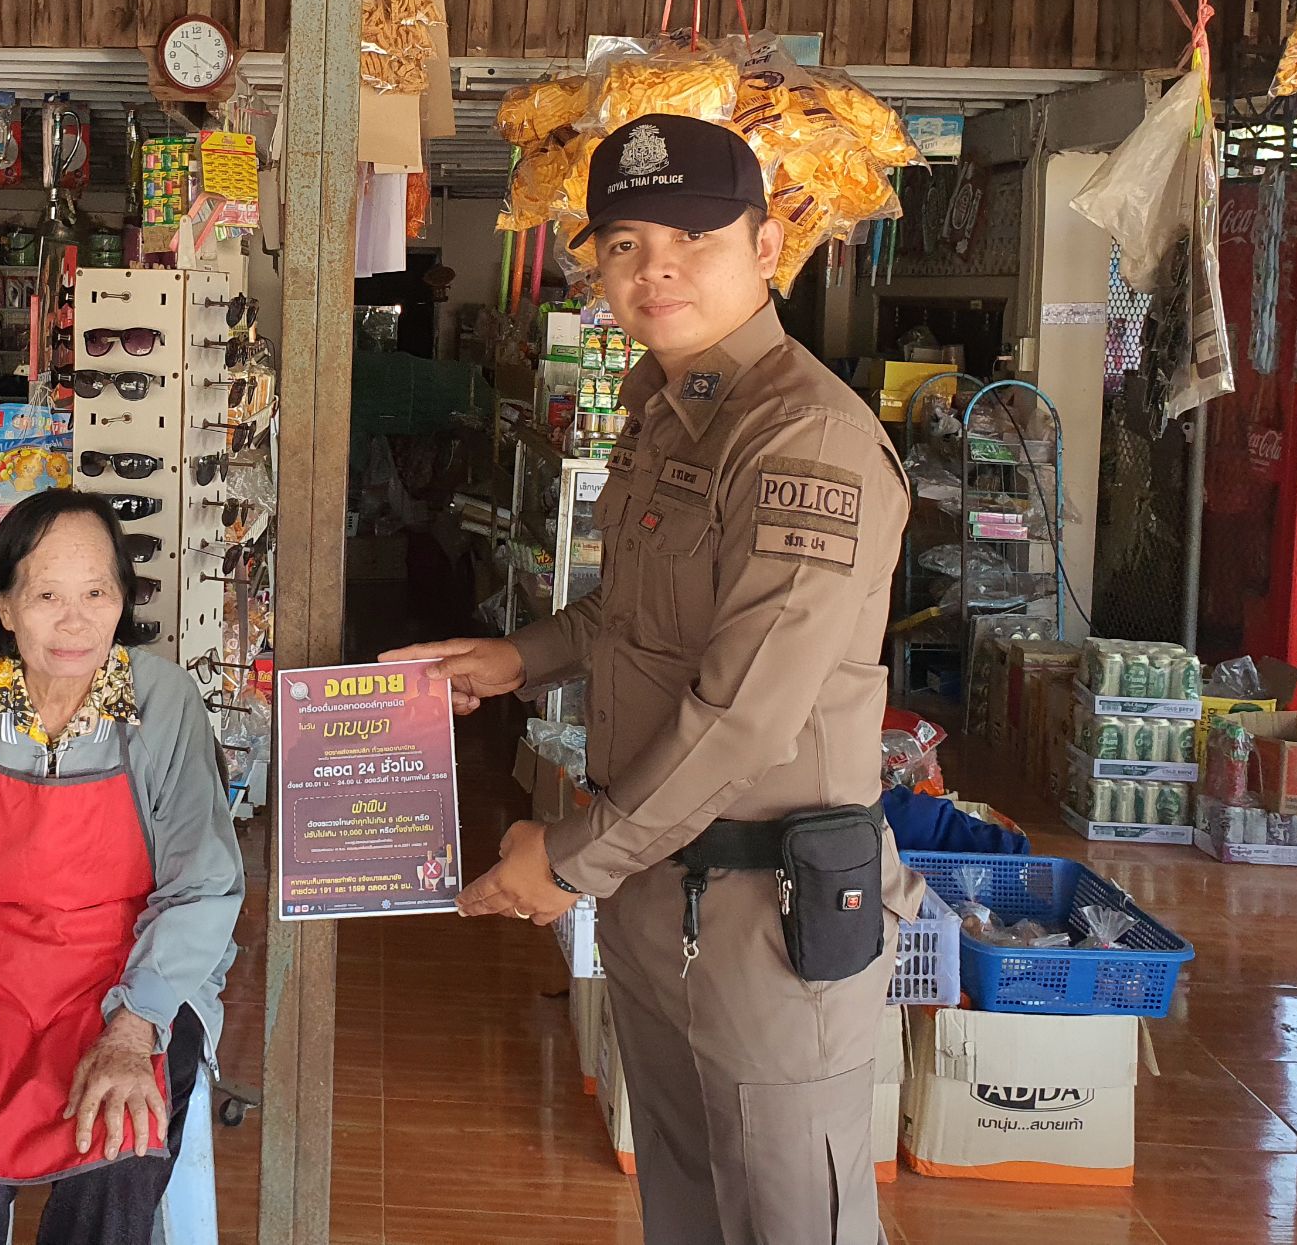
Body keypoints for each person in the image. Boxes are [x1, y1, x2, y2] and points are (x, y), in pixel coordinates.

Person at [386, 113, 916, 1245]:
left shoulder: (803, 439)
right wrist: (518, 658)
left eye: (692, 238)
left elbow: (744, 715)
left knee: (789, 1218)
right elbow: (635, 616)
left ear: (766, 247)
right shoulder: (664, 412)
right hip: (655, 891)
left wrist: (565, 860)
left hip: (768, 917)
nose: (653, 269)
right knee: (684, 1203)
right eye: (624, 244)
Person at [0, 488, 244, 1245]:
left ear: (122, 600)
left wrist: (132, 1033)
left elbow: (202, 888)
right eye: (46, 596)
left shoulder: (163, 701)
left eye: (96, 593)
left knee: (116, 1140)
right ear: (5, 607)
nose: (75, 622)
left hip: (129, 972)